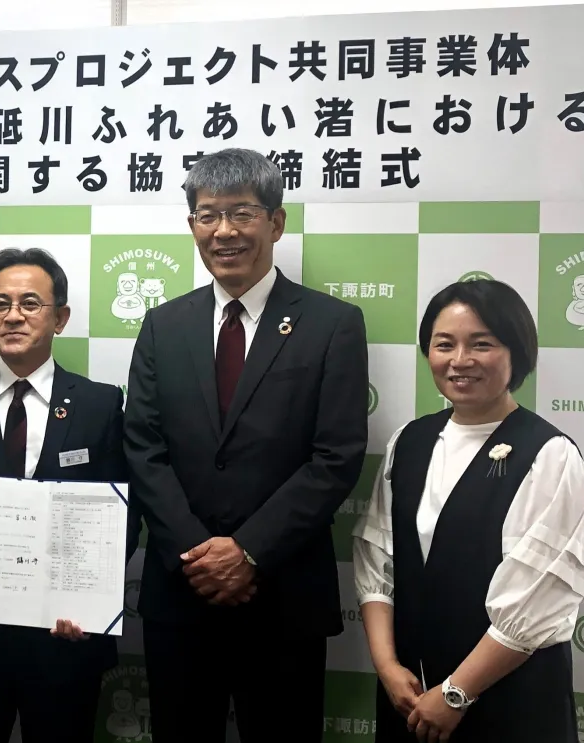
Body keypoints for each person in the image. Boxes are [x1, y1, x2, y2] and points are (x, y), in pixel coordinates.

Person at [123, 148, 370, 742]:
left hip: (283, 595)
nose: (224, 231)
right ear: (192, 226)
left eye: (241, 213)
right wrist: (198, 554)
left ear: (276, 222)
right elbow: (143, 446)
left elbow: (336, 456)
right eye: (208, 215)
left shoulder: (332, 324)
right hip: (182, 593)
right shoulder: (162, 325)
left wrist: (249, 551)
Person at [353, 279, 584, 743]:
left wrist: (455, 694)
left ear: (516, 352)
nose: (460, 360)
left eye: (481, 344)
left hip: (508, 699)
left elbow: (538, 599)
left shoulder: (549, 454)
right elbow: (377, 559)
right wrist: (387, 667)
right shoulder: (410, 441)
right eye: (444, 344)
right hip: (412, 694)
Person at [0, 248, 140, 743]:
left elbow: (122, 515)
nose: (13, 315)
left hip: (65, 637)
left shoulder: (100, 404)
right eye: (1, 304)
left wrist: (90, 598)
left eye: (30, 303)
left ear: (60, 318)